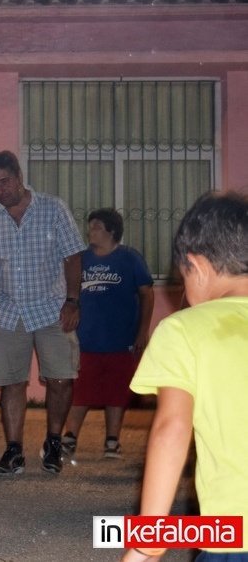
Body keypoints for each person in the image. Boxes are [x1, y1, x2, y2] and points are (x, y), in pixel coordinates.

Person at [122, 192, 248, 562]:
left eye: (182, 279)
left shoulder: (184, 330)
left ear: (197, 266)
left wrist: (149, 540)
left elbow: (172, 430)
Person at [0, 150, 86, 476]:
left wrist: (73, 301)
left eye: (4, 182)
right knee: (10, 382)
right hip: (8, 311)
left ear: (19, 177)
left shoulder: (53, 209)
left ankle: (52, 442)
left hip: (53, 308)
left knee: (62, 378)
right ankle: (13, 451)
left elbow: (73, 257)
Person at [61, 209, 154, 461]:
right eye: (90, 226)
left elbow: (146, 294)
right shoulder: (82, 259)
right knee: (81, 391)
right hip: (87, 339)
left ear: (111, 231)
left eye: (97, 227)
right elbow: (69, 291)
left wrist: (142, 331)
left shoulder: (130, 258)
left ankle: (112, 441)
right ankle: (69, 438)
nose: (91, 231)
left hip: (121, 339)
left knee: (116, 392)